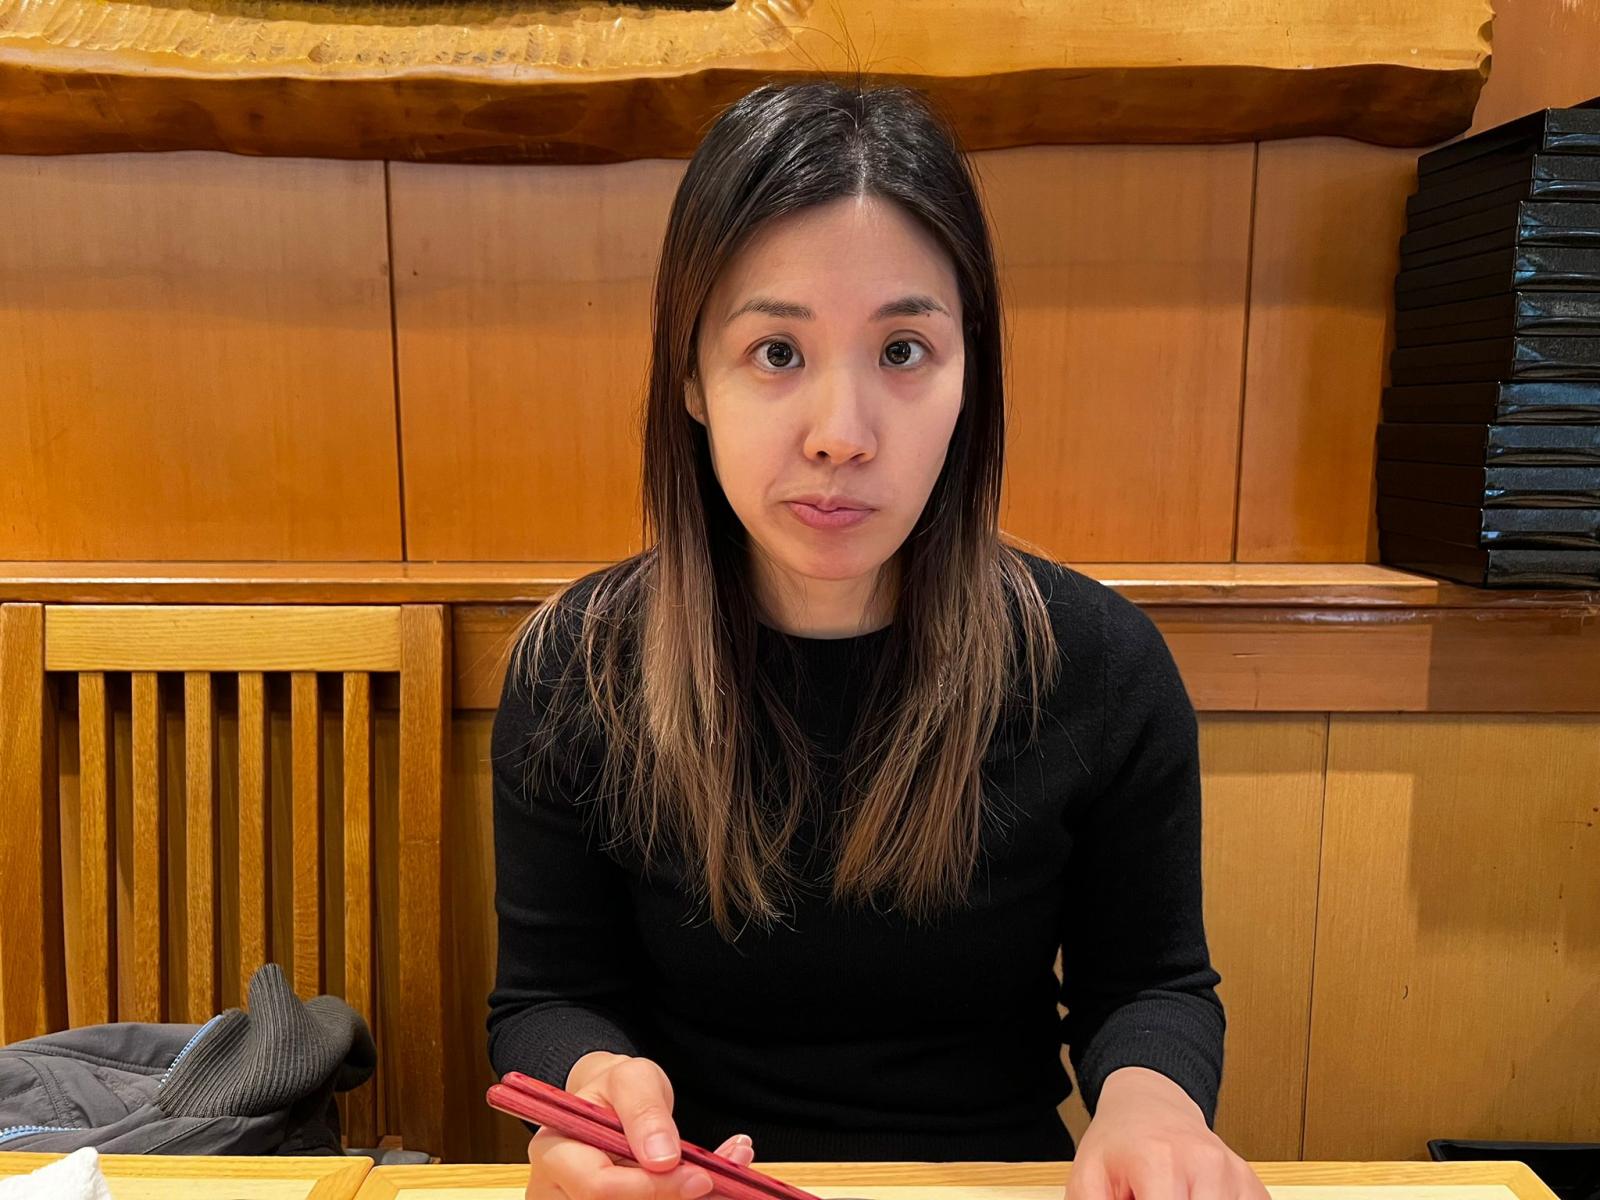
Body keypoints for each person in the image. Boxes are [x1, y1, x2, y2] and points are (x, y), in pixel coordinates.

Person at [488, 79, 1270, 1200]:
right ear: (691, 379)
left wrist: (1147, 1104)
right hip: (699, 1187)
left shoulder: (1098, 663)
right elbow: (545, 998)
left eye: (903, 351)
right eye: (775, 353)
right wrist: (595, 1082)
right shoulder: (578, 670)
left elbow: (1149, 984)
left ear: (969, 377)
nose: (840, 436)